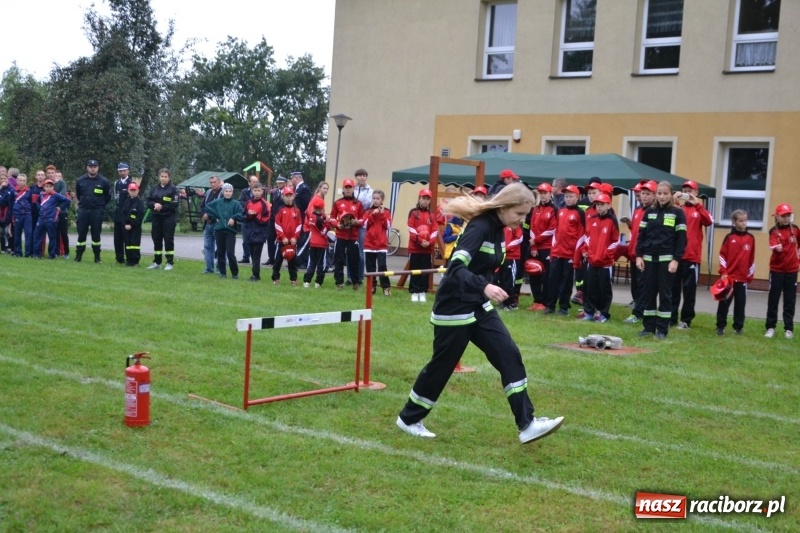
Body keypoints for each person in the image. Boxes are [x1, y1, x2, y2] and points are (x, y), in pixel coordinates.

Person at [396, 182, 565, 443]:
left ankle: (527, 424)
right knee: (441, 367)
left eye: (525, 215)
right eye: (519, 214)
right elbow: (455, 268)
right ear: (505, 206)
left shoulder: (499, 229)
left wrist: (487, 288)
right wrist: (484, 286)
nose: (522, 220)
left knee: (509, 354)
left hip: (478, 305)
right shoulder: (481, 227)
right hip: (453, 307)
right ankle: (408, 419)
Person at [635, 181, 687, 339]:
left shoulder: (678, 213)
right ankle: (648, 327)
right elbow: (641, 236)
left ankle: (662, 329)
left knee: (665, 295)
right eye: (659, 193)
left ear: (671, 194)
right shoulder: (649, 212)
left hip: (667, 260)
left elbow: (681, 239)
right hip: (649, 259)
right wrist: (638, 256)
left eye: (665, 193)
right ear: (655, 195)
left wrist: (676, 260)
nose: (662, 197)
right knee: (648, 294)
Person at [670, 180, 713, 329]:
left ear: (696, 193)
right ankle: (671, 318)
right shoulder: (679, 209)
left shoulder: (699, 209)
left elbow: (709, 221)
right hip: (677, 256)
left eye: (690, 191)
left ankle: (686, 320)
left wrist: (698, 205)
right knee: (673, 289)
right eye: (685, 191)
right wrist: (674, 201)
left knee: (689, 291)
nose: (687, 193)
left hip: (692, 257)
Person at [544, 185, 584, 315]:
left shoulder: (579, 213)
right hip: (557, 252)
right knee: (552, 280)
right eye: (566, 196)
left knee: (566, 282)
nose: (568, 199)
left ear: (577, 197)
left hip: (570, 254)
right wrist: (553, 251)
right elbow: (556, 232)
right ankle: (550, 306)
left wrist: (576, 255)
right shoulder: (560, 211)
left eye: (571, 196)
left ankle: (564, 307)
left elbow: (581, 235)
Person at [579, 193, 619, 322]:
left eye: (602, 204)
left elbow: (616, 241)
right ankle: (589, 312)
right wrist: (585, 250)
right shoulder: (592, 218)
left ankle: (603, 313)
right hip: (592, 261)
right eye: (597, 205)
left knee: (604, 289)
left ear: (609, 205)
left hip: (605, 263)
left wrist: (606, 254)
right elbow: (587, 236)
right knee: (590, 288)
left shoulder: (612, 220)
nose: (599, 207)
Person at [715, 210, 755, 336]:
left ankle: (738, 327)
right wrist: (724, 272)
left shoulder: (751, 238)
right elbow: (722, 256)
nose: (744, 223)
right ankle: (720, 326)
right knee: (724, 303)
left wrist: (749, 275)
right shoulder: (729, 238)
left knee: (740, 304)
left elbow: (751, 258)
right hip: (729, 278)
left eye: (745, 220)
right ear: (734, 222)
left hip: (742, 278)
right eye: (741, 221)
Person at [623, 180, 657, 324]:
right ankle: (638, 307)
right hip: (634, 253)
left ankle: (638, 313)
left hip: (644, 255)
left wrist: (642, 253)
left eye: (647, 194)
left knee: (643, 284)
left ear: (654, 195)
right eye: (642, 193)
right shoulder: (637, 210)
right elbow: (636, 231)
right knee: (636, 284)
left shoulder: (654, 212)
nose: (643, 196)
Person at [764, 203, 799, 339]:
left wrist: (798, 260)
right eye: (783, 216)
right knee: (774, 298)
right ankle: (770, 327)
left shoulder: (795, 229)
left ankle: (788, 329)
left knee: (790, 300)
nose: (786, 218)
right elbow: (772, 245)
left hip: (791, 270)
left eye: (788, 215)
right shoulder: (773, 230)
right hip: (776, 270)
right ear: (777, 217)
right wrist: (776, 248)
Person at [526, 182, 557, 311]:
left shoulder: (554, 209)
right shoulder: (535, 209)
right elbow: (532, 227)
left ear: (550, 194)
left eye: (545, 193)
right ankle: (537, 300)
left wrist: (536, 240)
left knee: (546, 276)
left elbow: (552, 229)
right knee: (533, 273)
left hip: (548, 247)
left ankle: (544, 302)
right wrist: (533, 246)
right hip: (535, 247)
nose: (543, 195)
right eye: (541, 193)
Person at [205, 183, 244, 279]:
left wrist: (234, 218)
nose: (228, 193)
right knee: (220, 252)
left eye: (230, 191)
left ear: (232, 192)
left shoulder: (236, 203)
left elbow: (241, 213)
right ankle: (222, 273)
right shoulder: (218, 202)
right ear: (223, 192)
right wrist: (214, 217)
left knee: (230, 253)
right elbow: (208, 208)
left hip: (230, 231)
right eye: (226, 191)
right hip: (219, 230)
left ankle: (235, 273)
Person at [74, 159, 111, 263]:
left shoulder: (103, 181)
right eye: (91, 167)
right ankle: (78, 256)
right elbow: (78, 195)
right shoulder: (80, 180)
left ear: (98, 168)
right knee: (81, 233)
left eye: (95, 167)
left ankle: (97, 257)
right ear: (87, 168)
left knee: (96, 234)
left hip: (97, 211)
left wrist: (100, 206)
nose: (93, 169)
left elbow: (107, 196)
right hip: (84, 210)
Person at [331, 178, 364, 290]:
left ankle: (355, 282)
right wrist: (337, 225)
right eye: (346, 187)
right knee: (339, 260)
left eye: (350, 187)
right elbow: (332, 218)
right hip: (340, 235)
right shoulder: (337, 203)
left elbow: (363, 219)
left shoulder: (358, 204)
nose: (348, 189)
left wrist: (356, 222)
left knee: (354, 260)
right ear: (343, 189)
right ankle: (339, 283)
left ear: (353, 189)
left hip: (353, 236)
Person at [407, 188, 438, 302]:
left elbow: (434, 230)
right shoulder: (413, 213)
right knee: (414, 269)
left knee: (425, 271)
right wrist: (420, 241)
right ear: (419, 199)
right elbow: (411, 228)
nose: (425, 201)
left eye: (427, 199)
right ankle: (414, 292)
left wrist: (429, 242)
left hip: (427, 249)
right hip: (415, 248)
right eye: (423, 198)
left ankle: (422, 291)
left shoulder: (432, 215)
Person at [147, 168, 179, 270]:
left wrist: (162, 207)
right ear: (159, 177)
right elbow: (148, 201)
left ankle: (169, 263)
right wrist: (154, 204)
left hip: (168, 218)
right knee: (156, 239)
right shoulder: (154, 188)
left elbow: (175, 204)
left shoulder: (173, 189)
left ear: (169, 178)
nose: (163, 178)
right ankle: (157, 262)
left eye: (165, 177)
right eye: (162, 176)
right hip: (156, 217)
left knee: (168, 240)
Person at [362, 190, 392, 296]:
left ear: (382, 200)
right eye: (374, 198)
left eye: (378, 198)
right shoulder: (368, 211)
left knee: (382, 266)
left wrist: (382, 214)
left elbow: (388, 226)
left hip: (381, 244)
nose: (375, 200)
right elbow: (364, 225)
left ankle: (386, 287)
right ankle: (372, 287)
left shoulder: (387, 211)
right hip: (369, 244)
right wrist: (372, 215)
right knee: (370, 268)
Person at [32, 178, 71, 259]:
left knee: (52, 237)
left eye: (50, 186)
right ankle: (37, 254)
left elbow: (67, 200)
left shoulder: (56, 195)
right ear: (44, 187)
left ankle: (52, 254)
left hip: (51, 219)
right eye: (47, 186)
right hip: (41, 218)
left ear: (53, 187)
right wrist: (39, 208)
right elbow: (37, 202)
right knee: (37, 236)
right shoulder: (41, 194)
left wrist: (60, 208)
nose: (48, 188)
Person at [272, 186, 302, 285]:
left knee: (292, 261)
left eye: (290, 196)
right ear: (283, 197)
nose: (288, 198)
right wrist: (282, 237)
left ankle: (293, 279)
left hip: (292, 241)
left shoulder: (297, 210)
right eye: (286, 196)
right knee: (278, 260)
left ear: (293, 196)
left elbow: (299, 225)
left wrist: (295, 237)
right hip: (282, 241)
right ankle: (275, 278)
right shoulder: (280, 210)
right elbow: (277, 225)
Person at [243, 182, 271, 282]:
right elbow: (243, 215)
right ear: (252, 191)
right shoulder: (248, 203)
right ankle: (254, 274)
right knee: (252, 254)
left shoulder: (264, 204)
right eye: (255, 190)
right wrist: (249, 215)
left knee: (256, 255)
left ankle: (256, 275)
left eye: (259, 190)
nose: (257, 192)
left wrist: (256, 215)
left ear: (262, 191)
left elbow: (267, 218)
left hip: (260, 232)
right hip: (250, 232)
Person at [302, 196, 330, 288]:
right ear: (321, 208)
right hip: (321, 243)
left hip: (313, 242)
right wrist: (328, 224)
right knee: (321, 264)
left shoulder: (312, 216)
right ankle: (318, 282)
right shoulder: (319, 219)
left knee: (312, 263)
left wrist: (324, 217)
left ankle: (307, 281)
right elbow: (323, 231)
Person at [198, 175, 223, 274]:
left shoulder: (223, 193)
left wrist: (209, 215)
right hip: (208, 224)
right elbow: (202, 206)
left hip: (218, 224)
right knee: (207, 246)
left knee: (220, 247)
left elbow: (220, 208)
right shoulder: (208, 193)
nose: (212, 184)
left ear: (219, 182)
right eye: (211, 182)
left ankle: (220, 269)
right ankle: (209, 268)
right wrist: (203, 214)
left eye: (214, 182)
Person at [264, 175, 288, 265]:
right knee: (270, 238)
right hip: (273, 218)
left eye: (281, 183)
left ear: (285, 183)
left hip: (282, 219)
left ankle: (279, 258)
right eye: (278, 183)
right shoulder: (275, 192)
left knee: (281, 240)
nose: (279, 185)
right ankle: (271, 258)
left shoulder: (287, 193)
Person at [290, 171, 313, 267]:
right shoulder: (297, 188)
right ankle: (298, 260)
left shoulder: (304, 188)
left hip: (303, 219)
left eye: (292, 178)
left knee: (303, 240)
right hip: (297, 219)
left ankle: (303, 261)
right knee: (299, 240)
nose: (291, 180)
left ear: (296, 178)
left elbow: (306, 205)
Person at [113, 162, 133, 264]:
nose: (122, 173)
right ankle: (119, 258)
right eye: (120, 171)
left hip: (127, 213)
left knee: (127, 237)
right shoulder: (117, 183)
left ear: (128, 171)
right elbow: (115, 197)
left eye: (124, 171)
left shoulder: (131, 183)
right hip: (118, 213)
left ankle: (129, 258)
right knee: (117, 238)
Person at [122, 182, 146, 267]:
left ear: (137, 191)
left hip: (135, 227)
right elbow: (124, 214)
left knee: (134, 244)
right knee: (128, 243)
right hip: (126, 227)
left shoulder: (139, 202)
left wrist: (131, 225)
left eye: (134, 190)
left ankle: (135, 261)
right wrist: (125, 224)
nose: (133, 192)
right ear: (128, 191)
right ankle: (129, 260)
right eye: (131, 190)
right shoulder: (127, 201)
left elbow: (140, 216)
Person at [237, 175, 260, 264]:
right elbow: (240, 202)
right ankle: (246, 257)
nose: (255, 183)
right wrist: (249, 206)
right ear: (249, 183)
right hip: (246, 218)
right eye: (253, 182)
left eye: (256, 182)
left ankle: (255, 258)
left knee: (255, 239)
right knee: (245, 239)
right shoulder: (244, 191)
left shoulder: (260, 192)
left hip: (256, 219)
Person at [12, 174, 34, 257]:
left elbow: (31, 202)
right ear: (17, 181)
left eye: (24, 181)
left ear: (26, 181)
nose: (22, 182)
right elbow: (11, 203)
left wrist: (28, 210)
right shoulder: (13, 191)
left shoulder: (29, 191)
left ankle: (28, 253)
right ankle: (18, 252)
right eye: (20, 180)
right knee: (17, 234)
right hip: (17, 214)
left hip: (27, 215)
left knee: (28, 233)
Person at [53, 170, 69, 258]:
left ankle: (66, 252)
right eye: (56, 176)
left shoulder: (62, 183)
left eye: (59, 176)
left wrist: (60, 207)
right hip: (53, 211)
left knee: (63, 233)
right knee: (55, 232)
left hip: (62, 212)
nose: (57, 178)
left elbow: (62, 195)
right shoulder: (50, 184)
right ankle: (56, 251)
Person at [0, 174, 15, 253]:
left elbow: (9, 202)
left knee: (8, 231)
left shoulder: (11, 189)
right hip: (0, 212)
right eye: (1, 179)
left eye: (4, 178)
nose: (3, 180)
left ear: (7, 179)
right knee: (1, 231)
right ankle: (3, 248)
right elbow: (1, 203)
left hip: (8, 212)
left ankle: (10, 248)